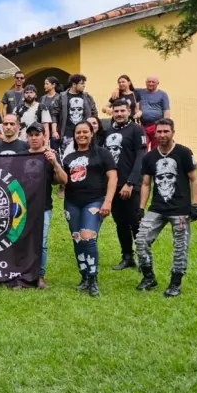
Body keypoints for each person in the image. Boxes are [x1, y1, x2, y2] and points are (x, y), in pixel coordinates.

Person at [135, 119, 197, 297]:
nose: (162, 135)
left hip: (180, 210)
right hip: (157, 208)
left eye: (166, 131)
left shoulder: (184, 153)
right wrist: (141, 207)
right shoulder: (149, 157)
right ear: (155, 133)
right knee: (141, 239)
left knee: (180, 247)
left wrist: (195, 204)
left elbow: (194, 179)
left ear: (173, 132)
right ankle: (149, 277)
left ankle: (175, 283)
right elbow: (146, 184)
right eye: (159, 132)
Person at [62, 121, 118, 296]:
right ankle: (84, 277)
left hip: (94, 201)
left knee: (88, 237)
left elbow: (113, 177)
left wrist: (108, 201)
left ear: (92, 133)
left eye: (85, 132)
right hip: (72, 202)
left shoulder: (102, 153)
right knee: (77, 239)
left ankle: (93, 278)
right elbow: (63, 180)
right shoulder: (69, 157)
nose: (81, 135)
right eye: (78, 132)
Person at [104, 99, 147, 270]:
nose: (119, 114)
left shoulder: (137, 129)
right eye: (116, 111)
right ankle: (127, 256)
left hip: (130, 185)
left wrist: (130, 183)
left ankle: (144, 259)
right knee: (120, 222)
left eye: (122, 111)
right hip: (113, 185)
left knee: (136, 222)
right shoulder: (109, 131)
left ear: (129, 111)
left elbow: (141, 157)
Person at [26, 124, 67, 289]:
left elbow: (64, 180)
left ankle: (40, 276)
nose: (34, 138)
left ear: (44, 136)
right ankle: (21, 274)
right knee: (22, 241)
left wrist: (55, 163)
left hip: (43, 206)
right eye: (31, 135)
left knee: (41, 243)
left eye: (37, 134)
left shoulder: (51, 155)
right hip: (22, 206)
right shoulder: (21, 155)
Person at [53, 74, 98, 156]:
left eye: (84, 83)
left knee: (85, 157)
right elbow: (54, 115)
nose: (84, 85)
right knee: (67, 158)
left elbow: (94, 114)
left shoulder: (87, 97)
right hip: (67, 135)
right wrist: (54, 131)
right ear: (74, 84)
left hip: (84, 134)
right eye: (82, 83)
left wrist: (93, 129)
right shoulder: (61, 97)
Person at [137, 76, 171, 150]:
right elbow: (126, 88)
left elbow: (166, 110)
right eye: (148, 82)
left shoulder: (163, 94)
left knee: (156, 149)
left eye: (153, 82)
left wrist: (166, 126)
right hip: (142, 126)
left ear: (158, 83)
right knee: (142, 147)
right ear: (145, 82)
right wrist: (117, 90)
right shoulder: (139, 92)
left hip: (156, 126)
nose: (150, 84)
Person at [41, 76, 63, 149]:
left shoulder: (60, 97)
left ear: (53, 85)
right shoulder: (43, 98)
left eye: (47, 84)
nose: (45, 86)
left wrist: (55, 131)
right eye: (44, 84)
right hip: (44, 129)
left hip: (56, 130)